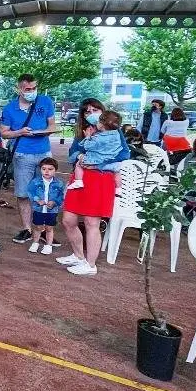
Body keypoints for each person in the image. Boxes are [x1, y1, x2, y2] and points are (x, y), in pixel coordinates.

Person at [61, 98, 129, 276]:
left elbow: (124, 154)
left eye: (95, 110)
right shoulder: (84, 132)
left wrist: (98, 164)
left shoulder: (115, 132)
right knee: (68, 220)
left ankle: (90, 264)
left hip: (100, 179)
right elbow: (72, 155)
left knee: (92, 222)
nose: (91, 113)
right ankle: (78, 256)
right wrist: (81, 155)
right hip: (80, 177)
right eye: (87, 111)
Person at [0, 74, 56, 244]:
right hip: (22, 154)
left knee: (46, 191)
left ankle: (45, 230)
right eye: (28, 89)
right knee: (23, 194)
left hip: (44, 153)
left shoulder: (45, 101)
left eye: (34, 88)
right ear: (20, 89)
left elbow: (52, 125)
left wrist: (46, 131)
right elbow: (4, 132)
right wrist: (20, 132)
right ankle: (27, 229)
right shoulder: (10, 108)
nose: (32, 92)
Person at [67, 110, 124, 190]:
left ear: (101, 125)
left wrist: (88, 137)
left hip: (95, 161)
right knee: (117, 172)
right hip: (112, 161)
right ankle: (118, 189)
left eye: (95, 110)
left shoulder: (98, 138)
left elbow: (87, 146)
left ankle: (78, 181)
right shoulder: (116, 134)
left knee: (78, 165)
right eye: (87, 112)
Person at [25, 157, 65, 255]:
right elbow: (30, 192)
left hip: (52, 211)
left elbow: (62, 196)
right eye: (44, 169)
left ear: (55, 170)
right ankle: (35, 243)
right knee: (37, 227)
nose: (46, 171)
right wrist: (37, 200)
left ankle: (48, 245)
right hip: (38, 209)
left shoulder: (59, 183)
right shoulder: (35, 182)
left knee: (49, 228)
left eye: (50, 169)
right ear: (40, 169)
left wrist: (55, 202)